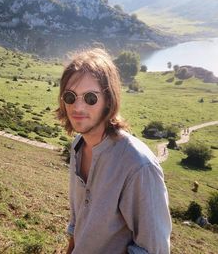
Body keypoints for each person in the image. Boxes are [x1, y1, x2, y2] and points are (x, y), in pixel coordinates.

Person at [56, 48, 171, 254]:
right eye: (70, 96)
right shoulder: (78, 145)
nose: (77, 107)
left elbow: (154, 250)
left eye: (90, 98)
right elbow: (78, 224)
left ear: (108, 100)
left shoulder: (138, 166)